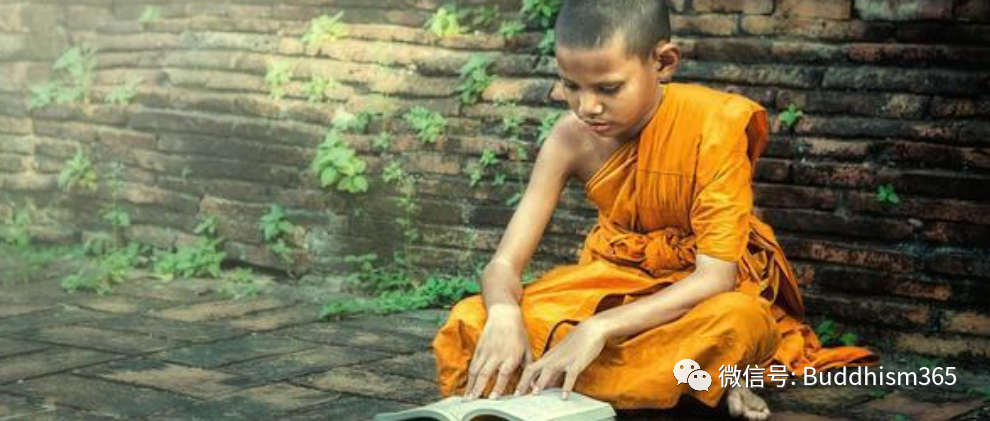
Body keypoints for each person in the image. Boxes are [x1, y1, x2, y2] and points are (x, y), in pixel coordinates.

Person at [432, 1, 878, 419]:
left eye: (608, 88)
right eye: (571, 86)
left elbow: (715, 278)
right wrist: (504, 314)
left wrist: (597, 330)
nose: (587, 107)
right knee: (472, 319)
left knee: (740, 322)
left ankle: (653, 376)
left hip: (697, 294)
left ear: (663, 63)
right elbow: (504, 264)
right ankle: (696, 383)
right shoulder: (570, 138)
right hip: (614, 282)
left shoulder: (712, 125)